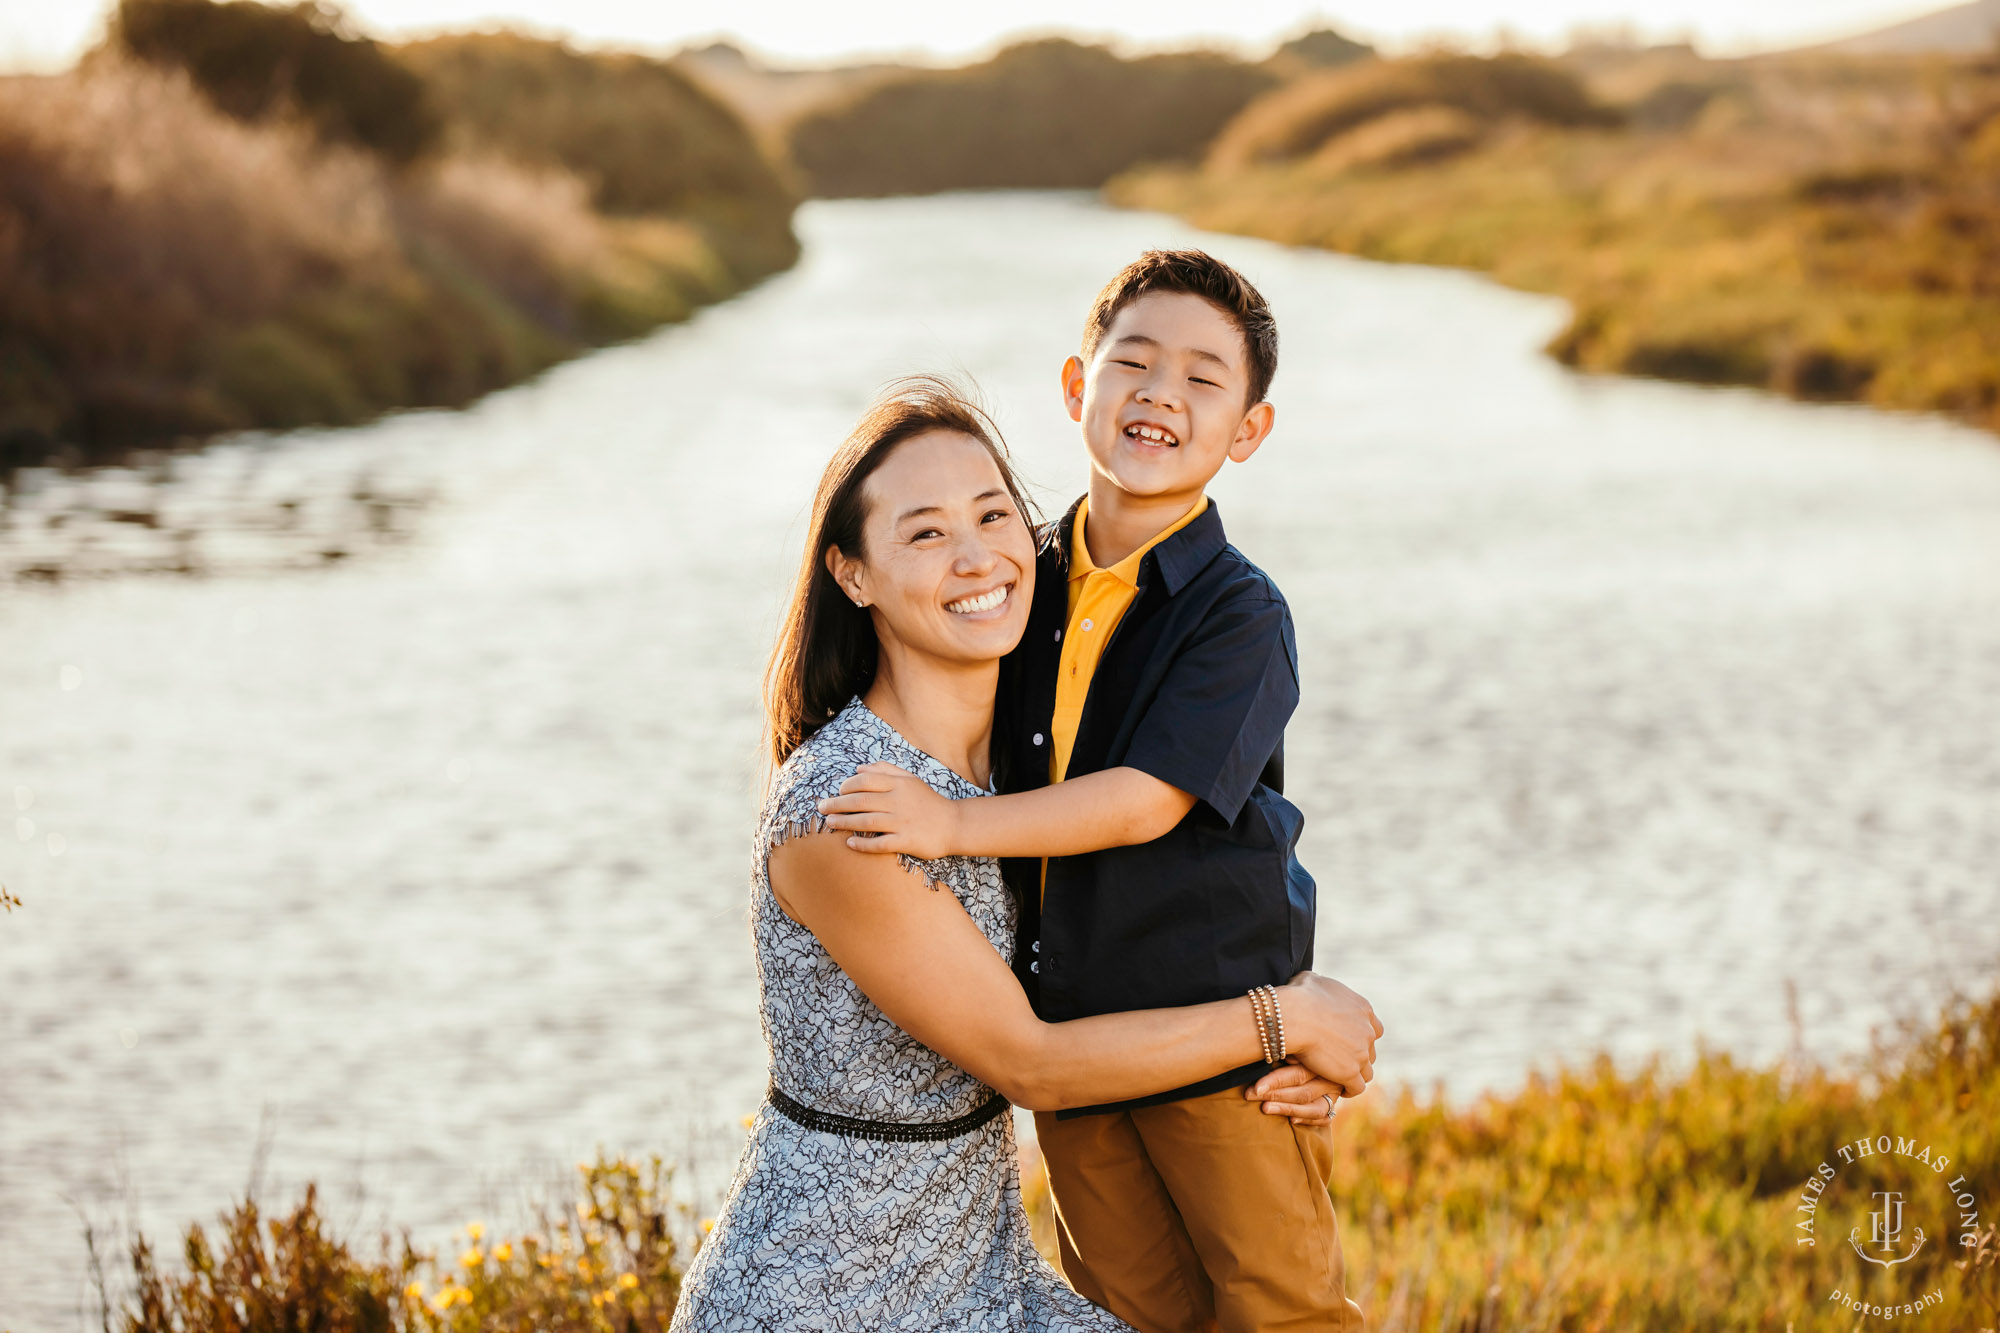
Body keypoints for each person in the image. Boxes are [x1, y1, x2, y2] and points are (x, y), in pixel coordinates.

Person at [668, 378, 1382, 1332]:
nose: (976, 556)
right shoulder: (849, 808)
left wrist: (1289, 1052)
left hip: (983, 1268)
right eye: (924, 533)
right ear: (853, 575)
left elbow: (1167, 900)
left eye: (993, 513)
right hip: (832, 1290)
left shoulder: (1027, 762)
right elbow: (1030, 1062)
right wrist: (1280, 1020)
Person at [817, 252, 1364, 1332]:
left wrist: (952, 828)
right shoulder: (1018, 576)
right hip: (1073, 1035)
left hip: (1213, 1038)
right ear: (1079, 388)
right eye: (1136, 362)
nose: (1162, 392)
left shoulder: (1236, 614)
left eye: (1205, 379)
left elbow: (1145, 800)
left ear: (1245, 431)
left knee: (1275, 1306)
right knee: (1122, 1310)